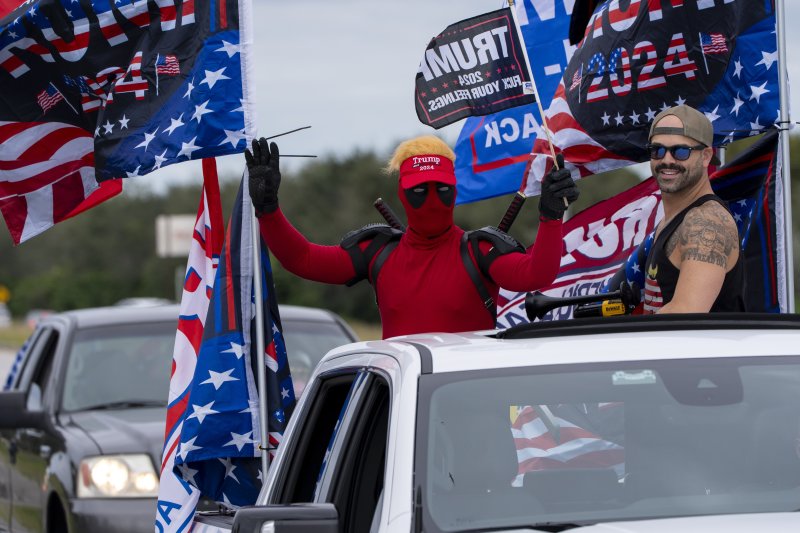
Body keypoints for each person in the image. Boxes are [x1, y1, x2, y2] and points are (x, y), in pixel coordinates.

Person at [245, 135, 579, 338]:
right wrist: (269, 210)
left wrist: (551, 217)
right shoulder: (378, 252)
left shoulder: (480, 251)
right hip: (403, 415)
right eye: (420, 190)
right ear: (402, 195)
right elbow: (302, 259)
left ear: (454, 191)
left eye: (441, 190)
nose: (432, 200)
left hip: (474, 417)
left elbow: (538, 273)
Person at [607, 105, 744, 314]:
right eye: (657, 150)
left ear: (706, 156)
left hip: (702, 347)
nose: (667, 160)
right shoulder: (671, 222)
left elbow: (686, 313)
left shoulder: (707, 222)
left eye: (681, 151)